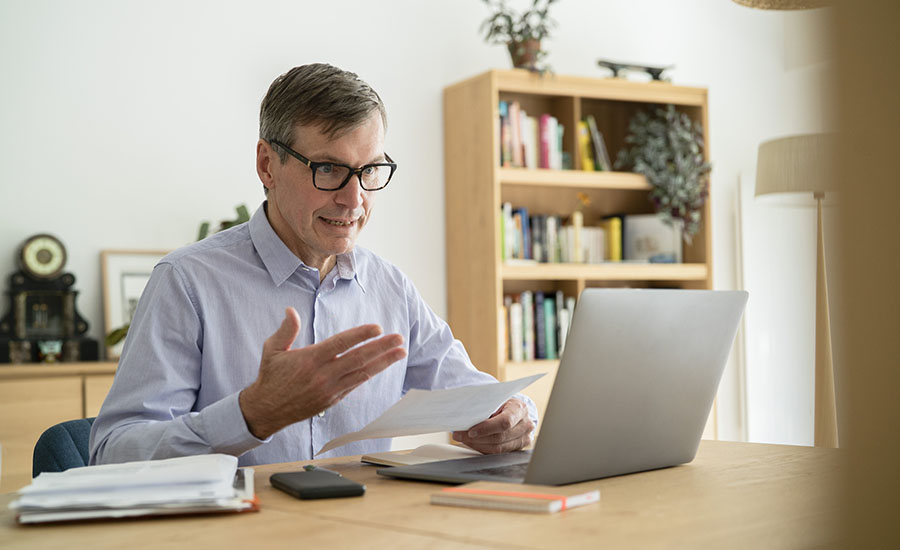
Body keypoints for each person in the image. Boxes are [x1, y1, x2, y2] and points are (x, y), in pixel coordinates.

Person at [89, 63, 537, 466]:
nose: (354, 199)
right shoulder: (187, 282)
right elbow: (113, 453)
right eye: (328, 170)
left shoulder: (388, 287)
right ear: (268, 165)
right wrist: (252, 415)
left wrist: (513, 413)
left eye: (370, 171)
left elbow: (479, 396)